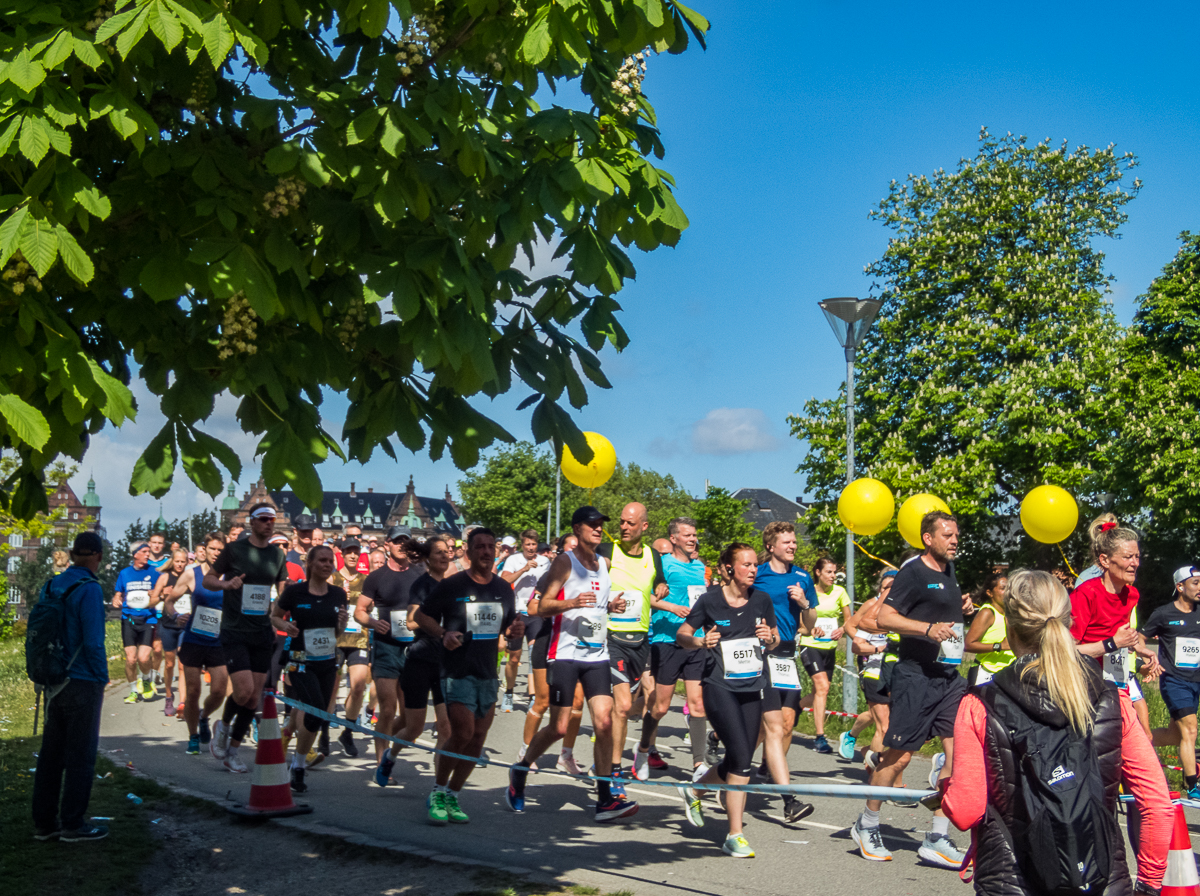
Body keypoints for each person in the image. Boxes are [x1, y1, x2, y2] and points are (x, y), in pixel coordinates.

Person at [942, 569, 1172, 896]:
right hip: (1101, 878)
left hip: (1011, 880)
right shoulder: (1112, 697)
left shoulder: (978, 704)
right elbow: (1158, 804)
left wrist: (946, 786)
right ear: (1068, 621)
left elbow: (965, 811)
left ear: (1009, 624)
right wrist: (1148, 886)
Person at [851, 511, 971, 867]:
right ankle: (867, 823)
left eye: (956, 535)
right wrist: (926, 629)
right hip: (915, 677)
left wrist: (961, 607)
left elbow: (941, 613)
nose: (954, 540)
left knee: (958, 755)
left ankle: (937, 836)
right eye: (947, 535)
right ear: (927, 538)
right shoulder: (913, 572)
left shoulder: (948, 571)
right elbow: (884, 618)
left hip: (948, 678)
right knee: (899, 756)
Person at [506, 507, 639, 822]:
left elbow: (596, 604)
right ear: (577, 528)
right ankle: (521, 769)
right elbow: (537, 606)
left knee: (604, 722)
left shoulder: (603, 564)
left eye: (601, 525)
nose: (598, 529)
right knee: (560, 727)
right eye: (592, 524)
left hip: (597, 655)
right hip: (565, 655)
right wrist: (570, 603)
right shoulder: (566, 562)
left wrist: (611, 606)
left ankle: (605, 799)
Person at [675, 542, 779, 858]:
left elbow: (774, 639)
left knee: (738, 758)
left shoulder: (762, 600)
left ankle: (693, 789)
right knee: (742, 760)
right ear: (730, 568)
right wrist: (700, 640)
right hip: (719, 686)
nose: (752, 569)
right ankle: (735, 833)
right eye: (746, 564)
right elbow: (682, 635)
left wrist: (769, 639)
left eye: (754, 565)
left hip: (752, 685)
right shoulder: (710, 601)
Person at [414, 527, 524, 824]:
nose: (486, 552)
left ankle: (453, 793)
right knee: (461, 732)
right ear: (469, 551)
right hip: (457, 669)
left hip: (487, 671)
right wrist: (443, 633)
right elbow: (420, 616)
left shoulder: (503, 588)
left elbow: (508, 627)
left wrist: (515, 630)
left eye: (491, 546)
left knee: (477, 739)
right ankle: (437, 790)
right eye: (480, 547)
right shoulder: (453, 585)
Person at [31, 532, 110, 842]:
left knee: (51, 755)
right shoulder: (89, 588)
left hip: (53, 681)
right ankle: (73, 824)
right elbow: (93, 642)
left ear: (73, 553)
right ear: (98, 557)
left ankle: (44, 823)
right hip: (82, 681)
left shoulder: (51, 584)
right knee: (80, 755)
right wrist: (102, 677)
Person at [204, 504, 289, 773]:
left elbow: (283, 591)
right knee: (243, 691)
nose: (269, 524)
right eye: (264, 520)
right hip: (235, 630)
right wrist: (226, 585)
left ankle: (234, 751)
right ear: (252, 522)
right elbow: (208, 580)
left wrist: (285, 613)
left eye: (272, 520)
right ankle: (224, 726)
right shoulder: (234, 550)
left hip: (262, 631)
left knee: (253, 699)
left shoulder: (277, 555)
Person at [635, 517, 710, 780]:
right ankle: (643, 749)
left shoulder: (700, 567)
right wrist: (672, 607)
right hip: (667, 640)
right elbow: (648, 598)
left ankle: (698, 765)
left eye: (694, 535)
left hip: (695, 640)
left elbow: (701, 601)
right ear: (674, 538)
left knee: (698, 705)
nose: (692, 539)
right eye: (687, 535)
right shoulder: (662, 565)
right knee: (660, 707)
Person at [752, 521, 817, 822]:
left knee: (786, 724)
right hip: (762, 653)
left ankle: (765, 765)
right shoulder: (759, 574)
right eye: (786, 542)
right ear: (771, 546)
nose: (792, 546)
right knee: (773, 724)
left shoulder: (802, 577)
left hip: (787, 654)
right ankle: (786, 797)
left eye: (794, 542)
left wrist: (804, 603)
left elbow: (812, 619)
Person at [597, 503, 664, 796]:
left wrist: (661, 586)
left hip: (641, 640)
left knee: (651, 703)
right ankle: (614, 770)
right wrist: (606, 602)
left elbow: (658, 581)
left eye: (630, 523)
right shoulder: (607, 553)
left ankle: (639, 750)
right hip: (612, 638)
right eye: (621, 522)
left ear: (644, 527)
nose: (623, 527)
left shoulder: (653, 555)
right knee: (623, 707)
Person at [271, 545, 349, 793]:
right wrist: (286, 625)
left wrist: (342, 625)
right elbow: (274, 616)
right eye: (322, 561)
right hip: (299, 661)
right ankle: (298, 764)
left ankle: (298, 765)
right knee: (314, 712)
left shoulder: (338, 594)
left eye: (330, 561)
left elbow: (335, 634)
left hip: (327, 661)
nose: (327, 565)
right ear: (310, 564)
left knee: (319, 714)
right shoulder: (295, 592)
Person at [356, 526, 422, 787]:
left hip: (413, 649)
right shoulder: (376, 577)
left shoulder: (419, 574)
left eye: (406, 542)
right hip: (386, 648)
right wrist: (373, 623)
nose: (402, 546)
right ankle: (382, 762)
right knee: (387, 708)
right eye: (397, 542)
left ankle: (384, 742)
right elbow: (359, 611)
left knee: (407, 717)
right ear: (388, 545)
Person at [1141, 565, 1200, 799]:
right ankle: (1192, 786)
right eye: (1195, 583)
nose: (1199, 587)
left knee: (1175, 735)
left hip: (1196, 681)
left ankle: (1133, 743)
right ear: (1180, 586)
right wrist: (1146, 660)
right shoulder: (1163, 614)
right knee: (1191, 730)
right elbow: (1139, 638)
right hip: (1174, 681)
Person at [167, 532, 229, 756]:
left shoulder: (230, 575)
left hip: (218, 640)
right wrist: (175, 616)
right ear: (205, 550)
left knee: (220, 690)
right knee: (192, 691)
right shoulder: (192, 574)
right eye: (212, 549)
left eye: (220, 550)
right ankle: (193, 735)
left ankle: (204, 717)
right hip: (194, 638)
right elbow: (169, 601)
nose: (216, 553)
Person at [395, 535, 454, 762]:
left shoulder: (450, 586)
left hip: (444, 663)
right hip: (420, 661)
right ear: (427, 558)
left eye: (447, 551)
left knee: (446, 728)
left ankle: (438, 785)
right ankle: (391, 755)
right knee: (414, 730)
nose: (444, 555)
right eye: (439, 552)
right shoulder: (422, 585)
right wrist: (434, 624)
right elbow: (410, 622)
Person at [842, 569, 897, 766]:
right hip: (871, 663)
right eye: (884, 588)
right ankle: (876, 769)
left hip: (893, 668)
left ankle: (867, 752)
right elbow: (851, 625)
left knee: (880, 718)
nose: (886, 593)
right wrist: (867, 646)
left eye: (890, 589)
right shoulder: (871, 605)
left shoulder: (901, 609)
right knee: (883, 722)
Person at [798, 557, 850, 754]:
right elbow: (800, 622)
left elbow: (849, 620)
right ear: (818, 572)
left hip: (830, 647)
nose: (833, 576)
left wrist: (842, 630)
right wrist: (810, 628)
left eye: (834, 572)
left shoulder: (840, 592)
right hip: (810, 645)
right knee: (823, 686)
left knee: (819, 692)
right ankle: (820, 737)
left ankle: (794, 708)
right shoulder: (808, 592)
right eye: (829, 572)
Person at [498, 529, 550, 712]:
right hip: (517, 613)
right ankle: (509, 693)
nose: (531, 548)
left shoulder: (545, 562)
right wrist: (523, 569)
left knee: (534, 655)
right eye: (527, 544)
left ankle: (532, 696)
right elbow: (504, 581)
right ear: (522, 545)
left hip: (535, 614)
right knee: (514, 658)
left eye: (534, 544)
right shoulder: (514, 560)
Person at [332, 540, 369, 757]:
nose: (353, 556)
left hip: (359, 640)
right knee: (332, 689)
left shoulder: (367, 581)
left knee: (358, 687)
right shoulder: (333, 578)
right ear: (342, 554)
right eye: (349, 552)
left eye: (356, 552)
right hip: (336, 640)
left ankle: (348, 731)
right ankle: (325, 736)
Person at [113, 543, 158, 704]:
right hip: (129, 619)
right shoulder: (125, 573)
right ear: (135, 554)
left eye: (149, 552)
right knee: (131, 659)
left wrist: (156, 594)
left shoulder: (154, 572)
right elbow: (118, 593)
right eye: (144, 552)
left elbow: (164, 593)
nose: (148, 555)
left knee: (144, 658)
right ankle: (133, 690)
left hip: (148, 619)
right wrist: (116, 598)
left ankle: (146, 679)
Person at [149, 549, 190, 717]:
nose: (180, 564)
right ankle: (168, 696)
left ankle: (183, 702)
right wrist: (161, 596)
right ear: (173, 561)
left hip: (185, 626)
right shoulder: (165, 577)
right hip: (167, 625)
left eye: (183, 561)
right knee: (170, 664)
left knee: (182, 664)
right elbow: (152, 601)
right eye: (178, 561)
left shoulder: (189, 577)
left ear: (187, 562)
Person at [964, 572, 1013, 686]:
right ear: (990, 593)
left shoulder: (1011, 614)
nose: (1008, 592)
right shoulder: (988, 613)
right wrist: (1000, 646)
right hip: (986, 673)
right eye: (1003, 588)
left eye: (1010, 588)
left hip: (1007, 674)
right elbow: (968, 645)